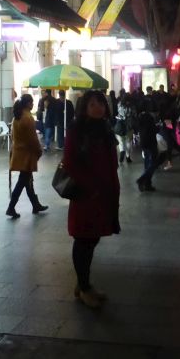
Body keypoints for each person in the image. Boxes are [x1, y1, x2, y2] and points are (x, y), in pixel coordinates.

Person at [61, 90, 120, 308]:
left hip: (104, 192)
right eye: (93, 104)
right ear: (85, 107)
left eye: (101, 104)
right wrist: (90, 186)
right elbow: (70, 162)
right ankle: (84, 287)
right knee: (84, 239)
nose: (98, 108)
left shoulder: (105, 129)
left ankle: (83, 283)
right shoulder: (77, 130)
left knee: (93, 238)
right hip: (86, 194)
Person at [6, 94, 48, 218]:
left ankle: (35, 205)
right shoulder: (28, 118)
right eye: (32, 102)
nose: (33, 104)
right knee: (23, 181)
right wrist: (39, 151)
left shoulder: (16, 117)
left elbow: (13, 136)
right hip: (27, 154)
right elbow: (33, 139)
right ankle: (11, 207)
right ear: (27, 103)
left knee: (27, 179)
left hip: (18, 153)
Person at [135, 98, 160, 191]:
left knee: (147, 162)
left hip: (143, 141)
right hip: (150, 141)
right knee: (153, 163)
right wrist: (158, 127)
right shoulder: (148, 117)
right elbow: (152, 130)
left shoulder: (140, 116)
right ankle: (142, 179)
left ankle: (147, 184)